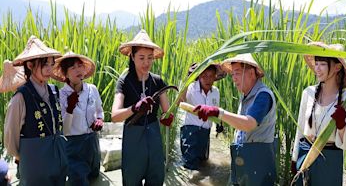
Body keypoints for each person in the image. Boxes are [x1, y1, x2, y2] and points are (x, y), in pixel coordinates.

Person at [193, 53, 276, 186]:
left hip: (257, 162)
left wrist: (219, 112)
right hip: (243, 159)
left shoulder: (263, 96)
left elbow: (249, 123)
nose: (234, 78)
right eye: (232, 75)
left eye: (237, 73)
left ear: (251, 73)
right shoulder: (245, 97)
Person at [111, 30, 174, 186]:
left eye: (150, 58)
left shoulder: (157, 81)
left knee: (156, 176)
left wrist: (168, 118)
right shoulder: (124, 81)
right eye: (141, 58)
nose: (146, 63)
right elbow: (115, 116)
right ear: (132, 57)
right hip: (133, 135)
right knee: (132, 178)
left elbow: (167, 111)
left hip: (153, 134)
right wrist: (134, 108)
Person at [3, 36, 68, 186]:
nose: (49, 70)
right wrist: (23, 155)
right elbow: (10, 136)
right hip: (34, 160)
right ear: (31, 65)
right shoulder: (21, 97)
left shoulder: (54, 91)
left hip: (58, 155)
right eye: (45, 65)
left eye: (51, 65)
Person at [291, 42, 346, 185]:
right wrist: (295, 158)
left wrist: (341, 125)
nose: (317, 69)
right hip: (305, 156)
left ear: (337, 67)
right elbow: (300, 130)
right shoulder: (308, 93)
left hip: (330, 160)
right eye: (316, 63)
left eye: (322, 64)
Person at [52, 51, 104, 185]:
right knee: (79, 180)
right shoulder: (61, 95)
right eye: (73, 67)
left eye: (80, 66)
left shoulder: (92, 89)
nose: (78, 70)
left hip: (92, 142)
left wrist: (99, 120)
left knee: (94, 176)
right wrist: (70, 108)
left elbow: (99, 110)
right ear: (65, 74)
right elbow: (65, 130)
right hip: (73, 145)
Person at [180, 63, 224, 171]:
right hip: (191, 132)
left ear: (215, 77)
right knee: (190, 166)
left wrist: (219, 123)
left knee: (203, 163)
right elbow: (179, 102)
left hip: (206, 132)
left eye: (211, 76)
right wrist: (188, 79)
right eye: (204, 76)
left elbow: (216, 110)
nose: (207, 79)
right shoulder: (190, 88)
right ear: (199, 76)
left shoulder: (216, 92)